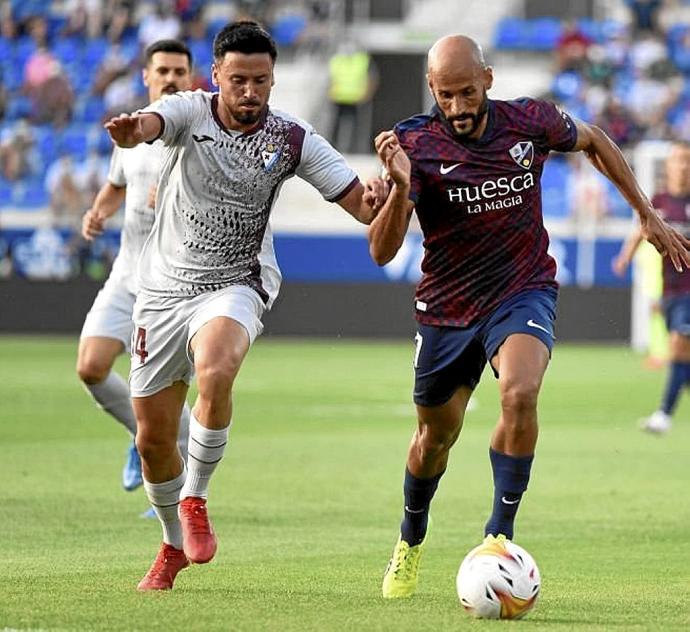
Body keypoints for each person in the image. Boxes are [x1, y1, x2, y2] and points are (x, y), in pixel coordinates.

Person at [369, 34, 690, 599]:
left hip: (523, 289)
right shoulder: (413, 144)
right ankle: (410, 538)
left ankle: (499, 537)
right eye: (447, 96)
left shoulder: (530, 122)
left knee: (519, 393)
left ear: (488, 80)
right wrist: (398, 186)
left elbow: (595, 141)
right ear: (432, 91)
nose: (460, 107)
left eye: (468, 92)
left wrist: (644, 213)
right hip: (447, 306)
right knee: (433, 438)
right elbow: (381, 251)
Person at [103, 20, 384, 591]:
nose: (250, 92)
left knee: (217, 365)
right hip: (161, 291)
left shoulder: (292, 137)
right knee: (152, 441)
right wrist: (137, 129)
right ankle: (170, 543)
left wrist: (384, 193)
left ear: (274, 78)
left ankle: (196, 500)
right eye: (238, 80)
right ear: (216, 78)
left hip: (235, 282)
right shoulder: (190, 111)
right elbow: (156, 123)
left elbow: (361, 205)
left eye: (260, 80)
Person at [77, 40, 193, 504]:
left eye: (179, 71)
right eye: (162, 70)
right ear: (146, 76)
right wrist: (98, 212)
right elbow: (115, 185)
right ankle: (141, 436)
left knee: (166, 392)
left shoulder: (195, 133)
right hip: (127, 276)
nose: (170, 78)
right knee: (91, 367)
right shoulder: (129, 135)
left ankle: (173, 479)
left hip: (174, 285)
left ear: (192, 78)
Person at [613, 142, 690, 434]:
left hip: (689, 290)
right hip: (671, 290)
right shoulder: (658, 200)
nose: (682, 166)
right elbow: (641, 229)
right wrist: (625, 257)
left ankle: (663, 415)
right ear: (668, 166)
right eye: (677, 161)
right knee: (684, 357)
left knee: (679, 345)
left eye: (687, 161)